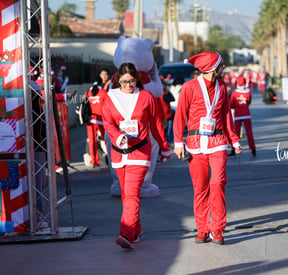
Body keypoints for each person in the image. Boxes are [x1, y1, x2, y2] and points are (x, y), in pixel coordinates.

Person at [173, 52, 242, 245]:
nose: (223, 68)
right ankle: (203, 229)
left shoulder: (222, 87)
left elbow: (227, 114)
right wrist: (178, 142)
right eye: (221, 65)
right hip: (195, 144)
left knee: (217, 183)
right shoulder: (189, 87)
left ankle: (217, 229)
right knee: (200, 188)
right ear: (214, 67)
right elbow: (180, 116)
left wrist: (234, 139)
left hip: (218, 141)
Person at [102, 63, 172, 249]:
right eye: (124, 81)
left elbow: (157, 124)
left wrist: (165, 148)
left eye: (132, 81)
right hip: (119, 154)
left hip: (140, 152)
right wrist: (118, 138)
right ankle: (137, 230)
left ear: (137, 80)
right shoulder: (110, 98)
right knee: (127, 196)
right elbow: (108, 124)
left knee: (132, 194)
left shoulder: (146, 96)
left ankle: (126, 233)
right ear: (118, 81)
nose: (128, 85)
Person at [229, 75, 256, 157]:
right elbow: (248, 102)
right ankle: (253, 149)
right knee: (249, 133)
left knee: (236, 134)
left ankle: (233, 150)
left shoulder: (234, 93)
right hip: (247, 114)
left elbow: (231, 104)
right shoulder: (248, 93)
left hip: (237, 115)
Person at [84, 79, 107, 167]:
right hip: (101, 120)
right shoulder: (103, 92)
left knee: (92, 141)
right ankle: (111, 158)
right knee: (106, 140)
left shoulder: (88, 92)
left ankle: (94, 161)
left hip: (90, 120)